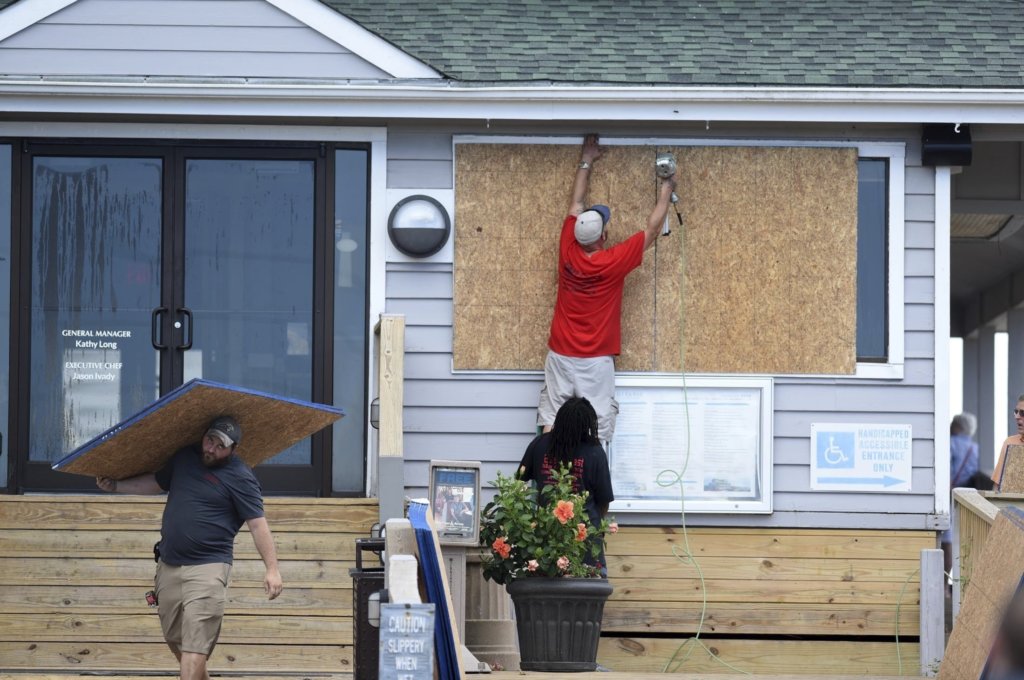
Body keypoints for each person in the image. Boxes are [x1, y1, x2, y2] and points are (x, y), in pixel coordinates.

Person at [96, 415, 282, 680]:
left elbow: (257, 524)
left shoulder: (241, 476)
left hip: (208, 569)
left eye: (220, 446)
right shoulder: (184, 458)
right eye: (210, 440)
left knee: (195, 647)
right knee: (178, 642)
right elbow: (157, 482)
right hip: (168, 565)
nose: (211, 449)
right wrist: (116, 486)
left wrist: (272, 569)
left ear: (232, 449)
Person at [538, 133, 678, 445]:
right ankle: (593, 476)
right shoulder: (613, 261)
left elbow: (576, 203)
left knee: (552, 420)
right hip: (595, 360)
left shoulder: (567, 248)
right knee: (597, 425)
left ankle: (547, 474)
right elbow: (652, 229)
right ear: (603, 236)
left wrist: (587, 157)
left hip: (560, 354)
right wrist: (667, 188)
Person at [520, 397, 614, 571]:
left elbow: (520, 482)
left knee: (547, 584)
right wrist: (596, 526)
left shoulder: (539, 444)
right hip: (585, 537)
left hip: (547, 534)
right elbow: (604, 501)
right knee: (590, 583)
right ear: (587, 424)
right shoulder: (594, 451)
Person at [942, 412, 979, 582]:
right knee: (962, 540)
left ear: (957, 426)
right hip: (966, 499)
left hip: (949, 496)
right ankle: (958, 585)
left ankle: (944, 585)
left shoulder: (950, 443)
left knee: (946, 542)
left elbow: (946, 472)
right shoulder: (974, 448)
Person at [993, 394, 1024, 487]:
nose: (1017, 416)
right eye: (1016, 412)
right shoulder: (1010, 442)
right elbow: (997, 486)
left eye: (1022, 413)